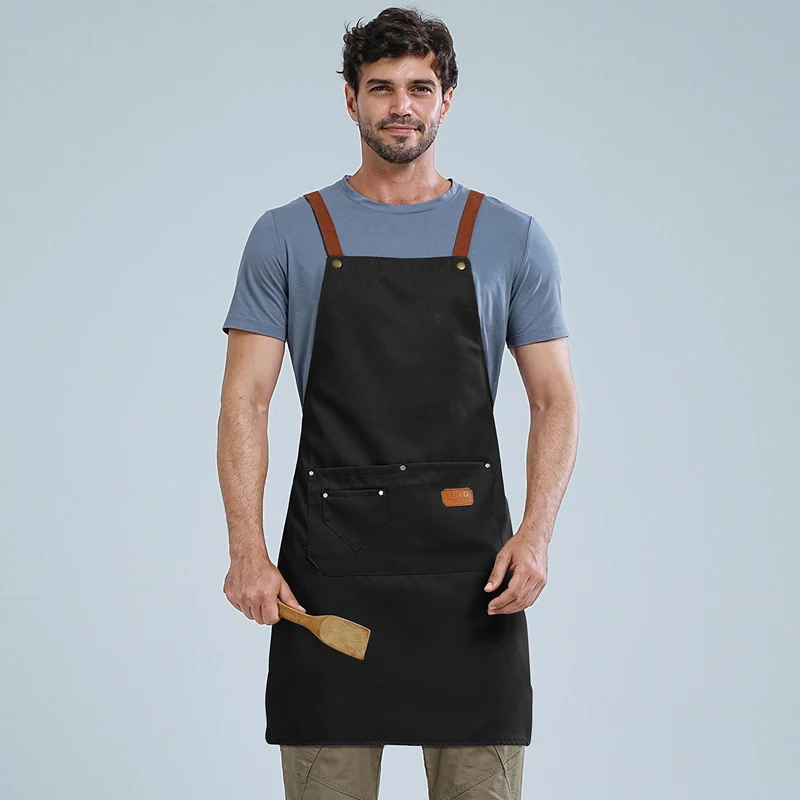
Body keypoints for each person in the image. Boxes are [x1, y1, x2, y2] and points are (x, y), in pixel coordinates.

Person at [218, 7, 579, 799]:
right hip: (329, 576)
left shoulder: (511, 237)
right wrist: (247, 548)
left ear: (447, 100)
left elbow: (555, 400)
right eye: (381, 87)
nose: (401, 105)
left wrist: (537, 536)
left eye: (420, 87)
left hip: (473, 584)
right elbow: (245, 399)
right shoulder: (287, 234)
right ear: (351, 100)